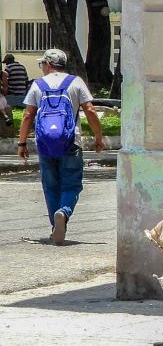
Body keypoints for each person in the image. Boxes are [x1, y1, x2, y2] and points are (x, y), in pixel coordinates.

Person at [16, 48, 105, 245]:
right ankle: (63, 212)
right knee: (72, 184)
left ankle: (55, 226)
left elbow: (28, 115)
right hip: (71, 142)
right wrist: (98, 137)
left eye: (42, 64)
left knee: (50, 187)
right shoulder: (76, 82)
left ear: (48, 64)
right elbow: (90, 110)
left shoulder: (38, 85)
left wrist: (22, 143)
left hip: (46, 144)